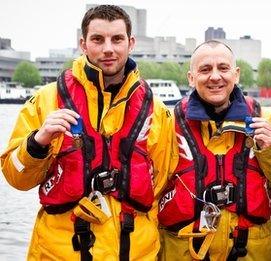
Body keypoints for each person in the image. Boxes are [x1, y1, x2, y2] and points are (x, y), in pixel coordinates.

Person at [1, 5, 175, 260]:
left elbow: (161, 182)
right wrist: (38, 142)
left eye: (117, 39)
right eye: (97, 39)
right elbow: (15, 177)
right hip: (59, 253)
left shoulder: (156, 111)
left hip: (135, 252)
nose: (108, 49)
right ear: (83, 44)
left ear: (131, 43)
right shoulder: (45, 100)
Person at [157, 40, 271, 260]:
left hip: (249, 250)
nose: (215, 77)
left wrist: (269, 150)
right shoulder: (169, 126)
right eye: (205, 69)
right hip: (185, 250)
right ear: (191, 78)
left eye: (223, 68)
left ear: (236, 74)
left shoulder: (264, 123)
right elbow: (151, 194)